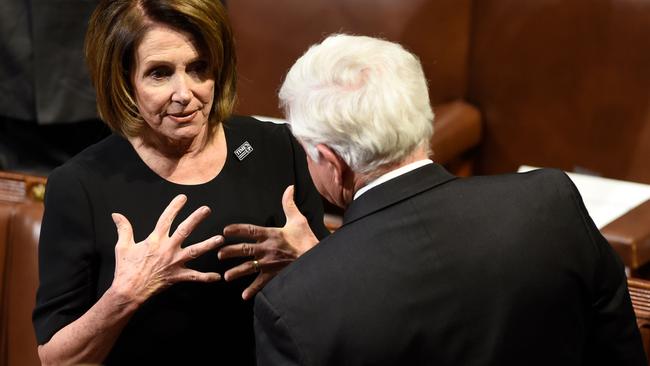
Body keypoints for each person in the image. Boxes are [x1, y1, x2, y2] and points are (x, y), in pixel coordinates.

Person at [253, 34, 647, 365]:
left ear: (332, 162)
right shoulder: (550, 201)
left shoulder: (294, 308)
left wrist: (319, 274)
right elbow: (619, 348)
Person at [31, 0, 327, 365]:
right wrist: (124, 295)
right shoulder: (79, 186)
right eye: (159, 73)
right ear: (124, 81)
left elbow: (333, 307)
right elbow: (56, 360)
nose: (185, 93)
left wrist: (310, 261)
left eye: (198, 68)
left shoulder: (277, 148)